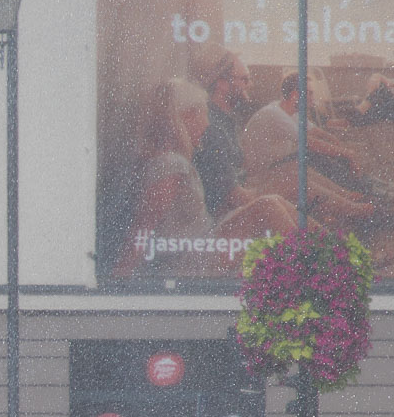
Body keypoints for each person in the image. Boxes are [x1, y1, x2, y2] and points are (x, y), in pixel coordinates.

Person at [113, 77, 298, 277]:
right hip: (187, 261)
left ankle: (319, 254)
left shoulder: (173, 160)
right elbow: (142, 229)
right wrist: (119, 280)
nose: (207, 123)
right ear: (188, 115)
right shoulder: (170, 165)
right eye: (204, 113)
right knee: (268, 207)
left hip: (202, 243)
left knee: (275, 201)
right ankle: (314, 269)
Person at [241, 72, 379, 224]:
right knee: (300, 167)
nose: (313, 97)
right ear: (295, 95)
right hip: (258, 182)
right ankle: (354, 208)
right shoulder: (274, 114)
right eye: (310, 93)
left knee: (298, 166)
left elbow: (316, 132)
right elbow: (309, 142)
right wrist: (348, 154)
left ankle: (349, 198)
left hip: (277, 171)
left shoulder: (289, 111)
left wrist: (337, 143)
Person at [186, 45, 254, 217]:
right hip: (219, 216)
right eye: (244, 79)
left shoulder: (226, 120)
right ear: (221, 84)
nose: (250, 85)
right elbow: (234, 196)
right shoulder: (212, 127)